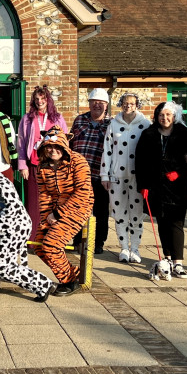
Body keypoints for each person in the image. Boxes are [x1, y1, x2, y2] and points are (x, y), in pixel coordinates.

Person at [0, 150, 55, 301]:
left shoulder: (2, 183)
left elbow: (12, 208)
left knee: (4, 268)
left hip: (14, 227)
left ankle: (44, 284)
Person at [134, 101, 187, 279]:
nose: (165, 118)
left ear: (174, 116)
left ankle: (178, 262)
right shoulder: (149, 134)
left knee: (176, 223)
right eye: (161, 115)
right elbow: (140, 162)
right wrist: (143, 185)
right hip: (156, 187)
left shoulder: (184, 134)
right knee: (162, 222)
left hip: (177, 187)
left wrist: (179, 173)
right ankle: (167, 258)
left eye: (168, 115)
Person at [34, 126, 94, 296]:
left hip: (78, 207)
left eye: (57, 147)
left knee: (52, 244)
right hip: (53, 209)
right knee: (39, 246)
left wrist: (58, 214)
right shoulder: (42, 167)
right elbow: (44, 194)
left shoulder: (78, 161)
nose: (53, 150)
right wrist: (47, 217)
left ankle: (69, 281)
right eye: (49, 147)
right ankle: (71, 273)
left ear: (64, 146)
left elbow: (82, 192)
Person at [102, 92, 151, 263]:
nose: (128, 106)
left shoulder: (145, 124)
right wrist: (104, 175)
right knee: (119, 213)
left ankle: (135, 248)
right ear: (121, 104)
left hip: (138, 178)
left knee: (137, 215)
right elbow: (107, 151)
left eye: (131, 103)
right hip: (116, 176)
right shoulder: (113, 124)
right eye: (125, 103)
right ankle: (123, 248)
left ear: (137, 105)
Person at [17, 85, 66, 240]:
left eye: (42, 98)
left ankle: (52, 238)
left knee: (52, 202)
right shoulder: (27, 119)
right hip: (33, 165)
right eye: (36, 99)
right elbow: (21, 142)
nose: (39, 101)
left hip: (52, 166)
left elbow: (64, 141)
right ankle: (32, 239)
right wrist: (22, 165)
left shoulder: (57, 118)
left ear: (48, 100)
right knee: (33, 202)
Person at [69, 88, 111, 254]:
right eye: (94, 102)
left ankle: (98, 242)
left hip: (100, 174)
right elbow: (71, 144)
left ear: (106, 105)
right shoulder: (79, 120)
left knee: (101, 211)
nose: (97, 105)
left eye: (101, 103)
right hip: (79, 174)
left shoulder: (111, 123)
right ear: (89, 103)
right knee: (78, 209)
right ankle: (78, 240)